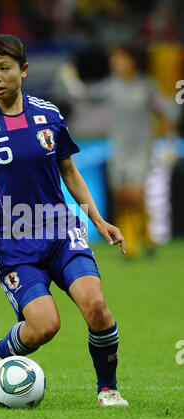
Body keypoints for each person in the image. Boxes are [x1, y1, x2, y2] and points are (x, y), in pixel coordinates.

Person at [0, 34, 128, 406]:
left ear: (24, 70)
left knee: (96, 306)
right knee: (45, 326)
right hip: (15, 246)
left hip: (62, 233)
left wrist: (98, 219)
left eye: (4, 68)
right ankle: (3, 349)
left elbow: (70, 172)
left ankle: (107, 389)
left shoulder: (49, 114)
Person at [62, 44, 178, 259]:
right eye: (114, 61)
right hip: (119, 149)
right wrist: (72, 82)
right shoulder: (111, 86)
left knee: (135, 194)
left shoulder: (146, 86)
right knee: (123, 197)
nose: (116, 64)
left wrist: (169, 142)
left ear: (132, 61)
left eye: (120, 59)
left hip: (141, 149)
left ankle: (133, 245)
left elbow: (167, 110)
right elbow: (87, 95)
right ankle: (145, 236)